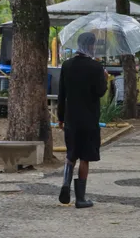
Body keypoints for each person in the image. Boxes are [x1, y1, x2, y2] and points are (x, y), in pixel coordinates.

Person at [57, 32, 108, 208]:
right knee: (85, 157)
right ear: (91, 46)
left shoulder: (67, 65)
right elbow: (100, 92)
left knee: (71, 154)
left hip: (71, 118)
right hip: (89, 119)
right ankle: (80, 198)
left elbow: (62, 94)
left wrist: (61, 118)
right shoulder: (96, 67)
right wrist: (105, 79)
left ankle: (65, 183)